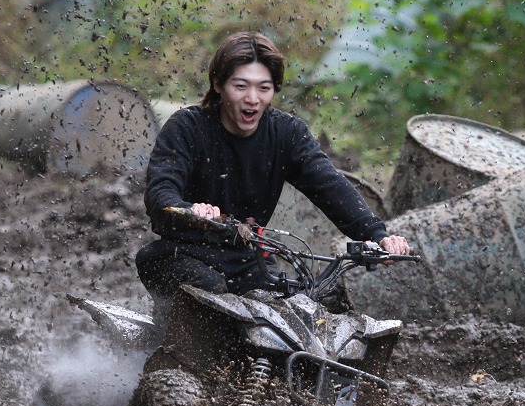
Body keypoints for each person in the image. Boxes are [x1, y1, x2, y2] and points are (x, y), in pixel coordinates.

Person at [137, 31, 410, 321]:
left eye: (264, 88)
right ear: (218, 84)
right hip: (179, 254)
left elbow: (330, 186)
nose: (252, 99)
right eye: (240, 86)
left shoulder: (286, 134)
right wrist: (190, 211)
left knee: (290, 313)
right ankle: (169, 345)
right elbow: (160, 192)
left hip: (246, 259)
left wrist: (377, 235)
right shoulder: (187, 128)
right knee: (211, 296)